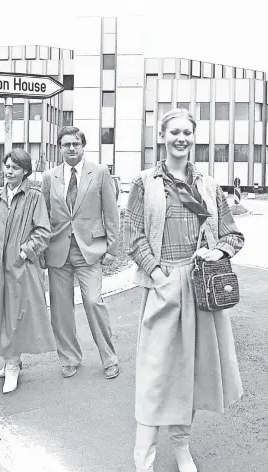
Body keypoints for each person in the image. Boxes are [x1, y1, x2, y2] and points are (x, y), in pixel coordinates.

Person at [123, 108, 245, 472]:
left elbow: (233, 234)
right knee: (155, 375)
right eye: (174, 132)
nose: (181, 138)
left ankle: (181, 448)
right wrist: (158, 274)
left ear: (194, 137)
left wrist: (217, 249)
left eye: (187, 132)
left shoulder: (208, 185)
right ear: (162, 136)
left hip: (201, 289)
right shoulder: (145, 182)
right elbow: (133, 235)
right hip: (164, 287)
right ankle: (142, 458)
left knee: (191, 374)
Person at [41, 126, 120, 380]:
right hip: (57, 251)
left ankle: (109, 358)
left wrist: (112, 248)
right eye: (66, 144)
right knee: (61, 309)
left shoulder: (99, 172)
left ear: (83, 145)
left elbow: (111, 211)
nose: (71, 148)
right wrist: (41, 249)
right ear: (60, 148)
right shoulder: (49, 176)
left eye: (76, 143)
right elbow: (43, 215)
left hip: (90, 250)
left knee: (94, 302)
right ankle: (69, 357)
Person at [0, 149, 55, 393]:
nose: (8, 172)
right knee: (0, 313)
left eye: (14, 168)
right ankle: (11, 359)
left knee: (17, 315)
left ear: (25, 172)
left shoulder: (34, 198)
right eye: (7, 167)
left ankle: (12, 365)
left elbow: (43, 231)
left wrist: (24, 252)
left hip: (21, 266)